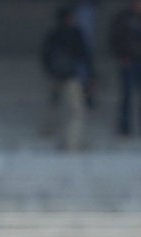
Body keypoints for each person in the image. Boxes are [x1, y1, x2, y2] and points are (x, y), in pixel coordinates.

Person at [40, 5, 91, 152]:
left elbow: (44, 55)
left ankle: (52, 134)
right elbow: (85, 55)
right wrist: (90, 76)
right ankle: (71, 143)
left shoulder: (53, 34)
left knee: (57, 106)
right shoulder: (76, 34)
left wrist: (50, 71)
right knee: (76, 112)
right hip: (71, 77)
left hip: (55, 77)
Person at [109, 0, 141, 137]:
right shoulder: (123, 19)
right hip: (128, 61)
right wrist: (123, 55)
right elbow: (116, 39)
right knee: (127, 97)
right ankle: (124, 127)